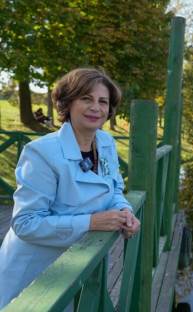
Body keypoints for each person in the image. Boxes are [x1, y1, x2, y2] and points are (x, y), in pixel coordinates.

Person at [0, 68, 140, 308]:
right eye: (86, 98)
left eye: (102, 101)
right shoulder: (42, 153)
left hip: (79, 265)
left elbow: (115, 187)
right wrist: (91, 222)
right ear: (67, 103)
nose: (96, 107)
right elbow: (25, 223)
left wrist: (125, 211)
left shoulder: (105, 142)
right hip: (34, 272)